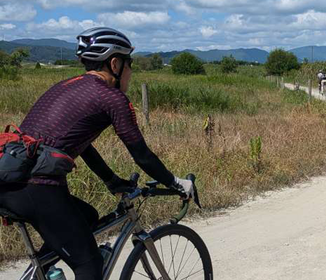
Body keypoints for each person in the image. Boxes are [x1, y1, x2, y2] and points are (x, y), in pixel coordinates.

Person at [0, 27, 194, 280]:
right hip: (36, 186)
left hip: (11, 178)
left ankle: (42, 272)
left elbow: (83, 145)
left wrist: (111, 180)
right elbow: (141, 154)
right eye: (129, 63)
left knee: (88, 216)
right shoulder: (112, 98)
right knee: (89, 266)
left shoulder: (66, 85)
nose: (131, 71)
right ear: (115, 63)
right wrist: (176, 183)